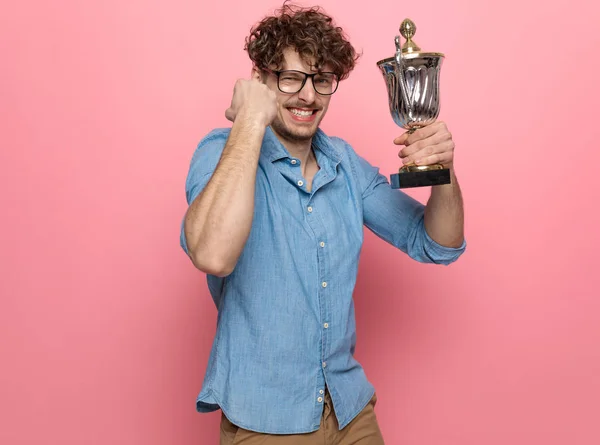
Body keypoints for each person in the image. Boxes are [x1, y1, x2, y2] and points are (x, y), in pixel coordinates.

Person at [180, 2, 466, 444]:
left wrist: (442, 171)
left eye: (322, 80)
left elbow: (435, 243)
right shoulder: (222, 153)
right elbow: (213, 254)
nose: (308, 96)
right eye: (290, 78)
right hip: (266, 421)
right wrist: (253, 119)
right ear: (260, 79)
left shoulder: (344, 164)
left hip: (350, 409)